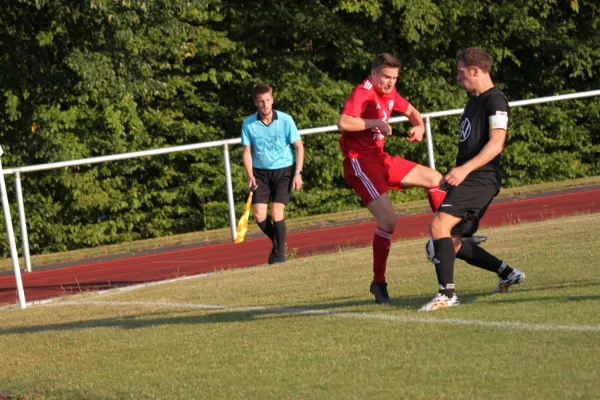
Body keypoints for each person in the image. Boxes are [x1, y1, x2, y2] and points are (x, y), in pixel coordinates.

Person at [337, 53, 449, 304]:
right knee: (388, 221)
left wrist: (419, 125)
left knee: (435, 178)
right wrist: (376, 122)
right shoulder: (363, 93)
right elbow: (344, 122)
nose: (390, 83)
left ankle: (449, 233)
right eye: (386, 77)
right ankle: (379, 282)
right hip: (360, 162)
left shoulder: (390, 92)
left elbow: (411, 111)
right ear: (374, 73)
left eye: (394, 78)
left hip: (380, 158)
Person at [420, 47, 525, 312]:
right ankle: (507, 273)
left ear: (475, 70)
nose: (458, 78)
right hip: (471, 177)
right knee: (451, 243)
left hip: (482, 178)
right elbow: (471, 147)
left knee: (438, 226)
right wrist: (454, 173)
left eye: (461, 72)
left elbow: (496, 144)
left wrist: (464, 171)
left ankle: (447, 295)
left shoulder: (495, 100)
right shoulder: (473, 101)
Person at [241, 83, 304, 264]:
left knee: (277, 214)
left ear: (272, 100)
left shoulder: (286, 120)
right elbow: (247, 151)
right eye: (261, 101)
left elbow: (299, 147)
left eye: (268, 100)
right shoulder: (248, 124)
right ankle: (278, 243)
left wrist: (298, 173)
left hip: (284, 171)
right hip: (260, 173)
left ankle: (280, 256)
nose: (265, 104)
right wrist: (250, 175)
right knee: (259, 216)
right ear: (255, 103)